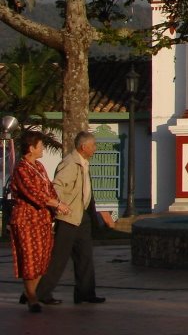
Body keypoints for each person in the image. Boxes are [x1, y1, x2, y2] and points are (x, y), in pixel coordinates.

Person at [36, 130, 107, 305]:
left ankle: (85, 292)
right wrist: (61, 205)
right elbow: (57, 186)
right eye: (93, 145)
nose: (95, 149)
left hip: (81, 217)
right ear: (84, 147)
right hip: (68, 217)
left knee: (85, 256)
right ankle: (38, 293)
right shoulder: (70, 163)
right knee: (59, 257)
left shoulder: (83, 163)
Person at [8, 129, 70, 312]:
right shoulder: (21, 169)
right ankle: (32, 298)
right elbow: (33, 194)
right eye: (40, 145)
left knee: (42, 260)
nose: (43, 148)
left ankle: (29, 292)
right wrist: (57, 204)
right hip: (27, 220)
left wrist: (59, 203)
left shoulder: (40, 167)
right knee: (30, 259)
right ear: (31, 148)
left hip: (42, 220)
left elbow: (49, 189)